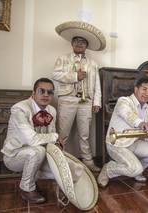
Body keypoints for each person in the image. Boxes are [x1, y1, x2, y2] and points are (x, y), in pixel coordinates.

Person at [1, 78, 66, 203]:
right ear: (33, 92)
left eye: (50, 92)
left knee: (61, 167)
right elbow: (32, 139)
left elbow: (49, 138)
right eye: (42, 91)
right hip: (14, 155)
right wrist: (56, 137)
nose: (46, 95)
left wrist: (57, 146)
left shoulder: (51, 110)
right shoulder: (19, 109)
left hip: (38, 151)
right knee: (37, 151)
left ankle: (33, 182)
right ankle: (26, 189)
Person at [97, 76, 148, 187]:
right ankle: (108, 169)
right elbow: (128, 115)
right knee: (134, 168)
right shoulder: (124, 101)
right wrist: (141, 123)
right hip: (117, 144)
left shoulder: (146, 107)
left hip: (134, 142)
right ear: (136, 89)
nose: (147, 93)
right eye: (144, 89)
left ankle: (136, 171)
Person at [52, 21, 106, 172]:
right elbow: (54, 74)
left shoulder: (93, 64)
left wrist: (97, 102)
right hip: (67, 99)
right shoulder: (63, 58)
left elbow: (97, 85)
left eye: (83, 42)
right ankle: (60, 161)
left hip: (86, 101)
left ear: (86, 45)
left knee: (85, 134)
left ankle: (88, 161)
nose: (79, 43)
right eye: (77, 41)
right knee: (63, 133)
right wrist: (75, 76)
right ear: (72, 43)